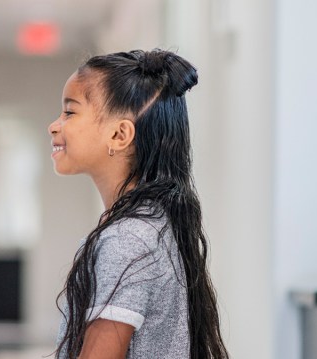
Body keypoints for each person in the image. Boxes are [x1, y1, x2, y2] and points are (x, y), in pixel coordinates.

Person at [49, 49, 229, 358]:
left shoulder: (127, 239)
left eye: (70, 112)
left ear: (119, 134)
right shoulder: (149, 225)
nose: (55, 125)